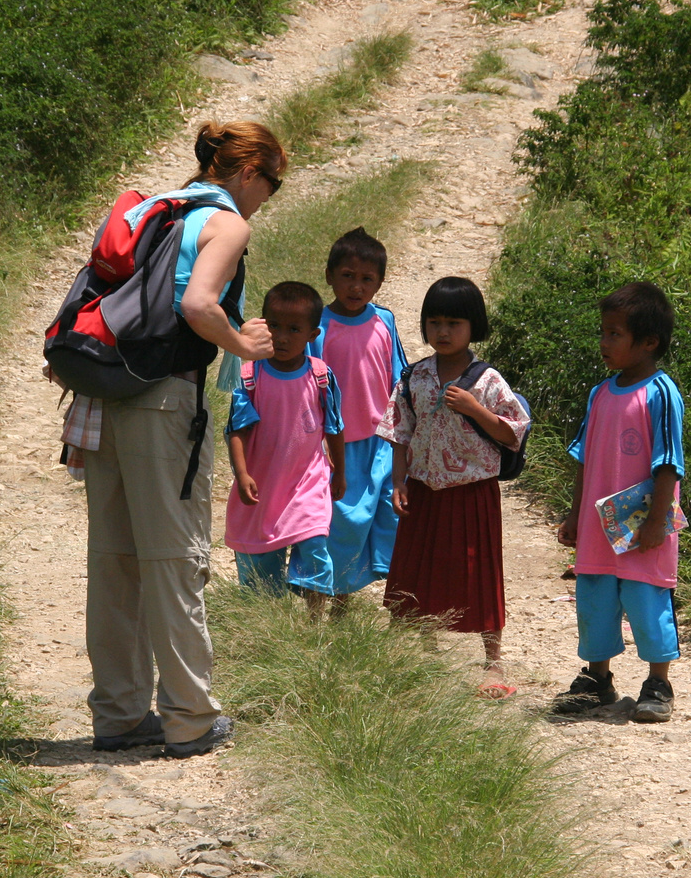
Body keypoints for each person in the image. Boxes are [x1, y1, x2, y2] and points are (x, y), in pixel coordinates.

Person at [82, 121, 284, 758]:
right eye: (270, 185)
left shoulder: (156, 209)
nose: (267, 199)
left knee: (115, 559)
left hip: (108, 390)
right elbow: (199, 304)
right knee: (174, 556)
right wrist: (242, 341)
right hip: (166, 397)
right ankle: (191, 719)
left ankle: (117, 715)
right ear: (247, 172)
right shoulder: (225, 222)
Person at [377, 277, 531, 698]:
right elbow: (400, 433)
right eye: (435, 322)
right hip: (424, 488)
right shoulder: (415, 377)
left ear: (473, 326)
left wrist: (474, 409)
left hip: (472, 491)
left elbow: (512, 432)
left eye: (454, 323)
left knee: (478, 571)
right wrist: (397, 482)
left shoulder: (487, 381)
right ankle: (411, 653)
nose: (443, 332)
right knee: (414, 567)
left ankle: (493, 662)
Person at [553, 282, 685, 724]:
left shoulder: (662, 393)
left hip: (643, 523)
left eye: (615, 334)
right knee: (595, 602)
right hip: (598, 527)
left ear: (649, 342)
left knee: (648, 600)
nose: (604, 343)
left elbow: (669, 464)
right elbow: (584, 460)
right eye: (603, 332)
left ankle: (658, 682)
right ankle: (597, 680)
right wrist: (574, 514)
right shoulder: (600, 393)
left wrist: (656, 521)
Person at [226, 282, 347, 610]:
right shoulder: (251, 376)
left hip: (308, 481)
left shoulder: (320, 376)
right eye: (274, 326)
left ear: (312, 334)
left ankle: (313, 626)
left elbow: (334, 427)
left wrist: (340, 473)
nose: (281, 337)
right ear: (262, 323)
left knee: (315, 552)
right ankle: (269, 628)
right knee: (260, 574)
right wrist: (241, 473)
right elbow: (236, 429)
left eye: (294, 329)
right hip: (264, 485)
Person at [307, 228, 408, 604]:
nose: (356, 287)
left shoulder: (384, 320)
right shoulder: (319, 325)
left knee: (385, 516)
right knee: (340, 523)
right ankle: (325, 599)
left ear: (380, 282)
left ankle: (370, 602)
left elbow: (399, 375)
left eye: (367, 279)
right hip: (336, 443)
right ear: (329, 275)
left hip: (381, 441)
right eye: (347, 276)